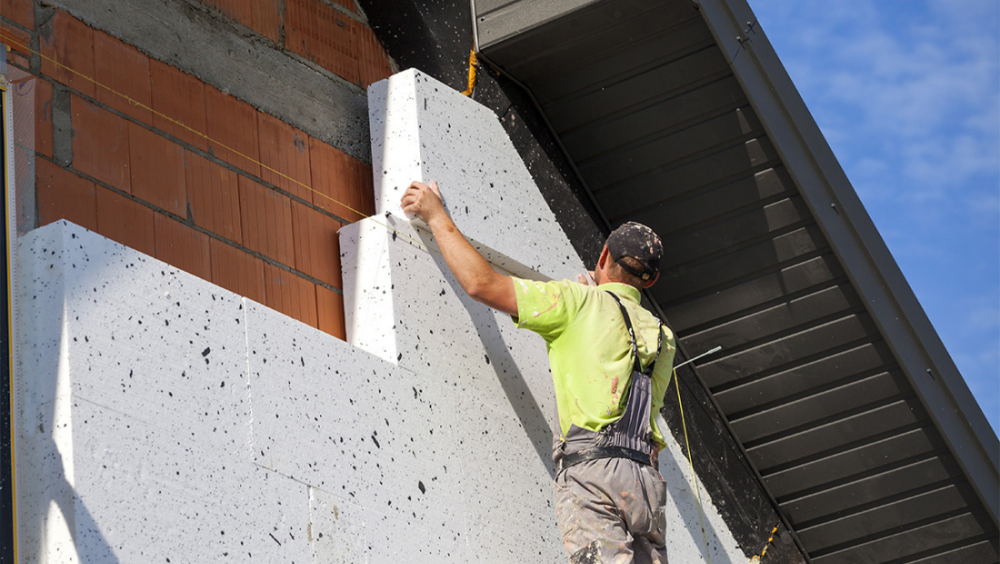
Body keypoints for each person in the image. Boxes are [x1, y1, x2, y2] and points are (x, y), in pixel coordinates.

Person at [402, 180, 675, 564]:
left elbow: (482, 284)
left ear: (603, 256)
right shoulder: (663, 337)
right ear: (652, 280)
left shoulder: (576, 301)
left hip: (592, 474)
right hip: (645, 484)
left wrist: (435, 214)